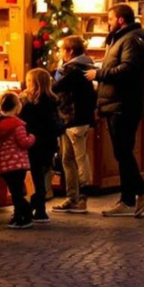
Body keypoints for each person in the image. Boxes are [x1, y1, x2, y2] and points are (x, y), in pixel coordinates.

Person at [93, 2, 144, 217]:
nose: (108, 23)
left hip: (123, 104)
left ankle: (142, 190)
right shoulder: (123, 39)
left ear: (120, 20)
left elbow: (127, 70)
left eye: (110, 19)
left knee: (122, 152)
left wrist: (98, 74)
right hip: (116, 103)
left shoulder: (130, 40)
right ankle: (127, 200)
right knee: (123, 152)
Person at [51, 35, 97, 212]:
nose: (60, 53)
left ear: (70, 51)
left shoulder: (72, 70)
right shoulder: (83, 66)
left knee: (78, 158)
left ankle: (82, 198)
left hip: (74, 119)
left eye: (62, 49)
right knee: (67, 159)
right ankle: (72, 198)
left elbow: (56, 87)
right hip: (71, 120)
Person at [0, 91, 36, 229]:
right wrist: (32, 137)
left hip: (4, 166)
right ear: (17, 107)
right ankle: (23, 216)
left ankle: (20, 214)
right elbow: (23, 143)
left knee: (15, 191)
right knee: (18, 192)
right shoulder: (18, 125)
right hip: (18, 165)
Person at [19, 68, 60, 223]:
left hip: (33, 143)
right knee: (41, 175)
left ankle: (29, 206)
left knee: (31, 174)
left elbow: (22, 119)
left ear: (33, 83)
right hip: (48, 144)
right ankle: (40, 208)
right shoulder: (52, 100)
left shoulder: (29, 103)